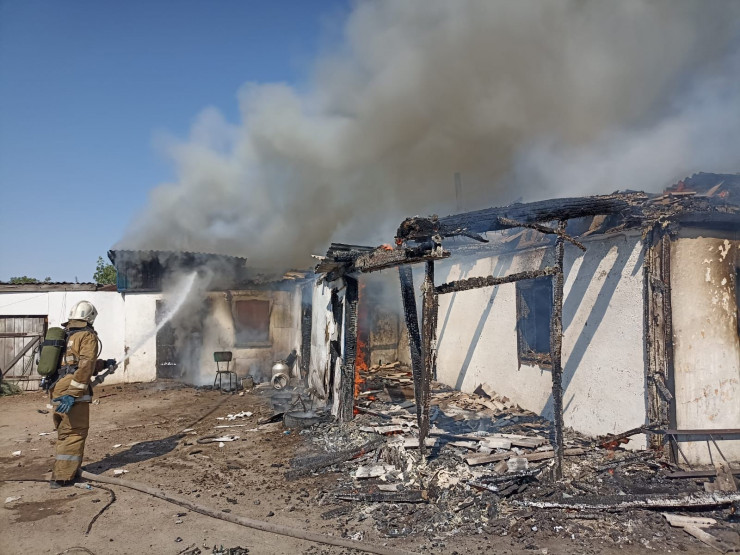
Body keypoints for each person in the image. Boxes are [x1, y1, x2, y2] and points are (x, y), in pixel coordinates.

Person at [49, 300, 104, 489]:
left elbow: (72, 363)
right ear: (90, 317)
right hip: (71, 390)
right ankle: (62, 477)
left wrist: (103, 364)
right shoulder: (87, 336)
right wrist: (73, 394)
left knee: (64, 431)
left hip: (57, 387)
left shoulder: (65, 335)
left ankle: (65, 469)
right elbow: (85, 365)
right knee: (75, 432)